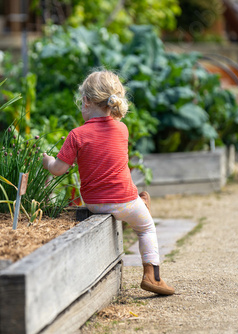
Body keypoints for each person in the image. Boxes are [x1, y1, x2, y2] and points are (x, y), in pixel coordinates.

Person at [42, 70, 174, 295]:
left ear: (85, 101)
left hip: (96, 203)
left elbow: (58, 170)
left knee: (137, 204)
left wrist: (47, 161)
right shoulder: (122, 129)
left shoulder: (76, 135)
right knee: (146, 227)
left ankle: (141, 205)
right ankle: (152, 277)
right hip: (124, 201)